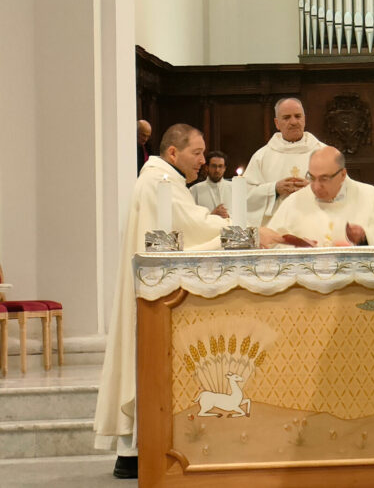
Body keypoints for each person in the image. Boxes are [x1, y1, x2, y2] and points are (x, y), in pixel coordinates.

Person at [95, 124, 229, 479]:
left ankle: (135, 451)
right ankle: (136, 452)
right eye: (197, 153)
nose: (203, 160)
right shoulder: (161, 181)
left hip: (153, 288)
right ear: (173, 153)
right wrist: (235, 233)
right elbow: (187, 228)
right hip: (154, 294)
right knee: (147, 359)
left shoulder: (161, 179)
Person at [259, 147, 374, 247]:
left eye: (324, 179)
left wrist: (365, 236)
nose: (315, 186)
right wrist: (298, 248)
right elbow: (274, 244)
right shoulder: (294, 201)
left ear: (342, 174)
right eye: (312, 177)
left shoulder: (369, 195)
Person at [242, 98, 325, 226]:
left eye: (298, 116)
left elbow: (342, 191)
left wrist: (313, 189)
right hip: (277, 231)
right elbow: (245, 196)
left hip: (316, 227)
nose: (293, 122)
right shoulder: (262, 156)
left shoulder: (325, 152)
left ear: (304, 119)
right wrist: (274, 189)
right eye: (286, 118)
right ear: (277, 123)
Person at [190, 150, 231, 218]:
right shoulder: (195, 190)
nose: (217, 170)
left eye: (220, 166)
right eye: (214, 166)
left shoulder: (234, 188)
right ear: (207, 167)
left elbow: (242, 213)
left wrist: (228, 216)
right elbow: (191, 216)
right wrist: (211, 216)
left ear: (224, 168)